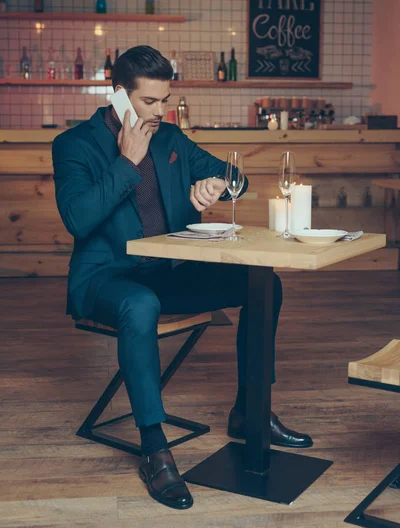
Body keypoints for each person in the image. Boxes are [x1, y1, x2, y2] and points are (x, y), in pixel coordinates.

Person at [52, 45, 312, 511]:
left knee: (264, 284)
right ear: (119, 95)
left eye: (165, 100)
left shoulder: (171, 140)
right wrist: (127, 163)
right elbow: (77, 219)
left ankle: (250, 413)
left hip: (165, 273)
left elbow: (235, 176)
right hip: (105, 280)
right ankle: (154, 447)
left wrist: (216, 184)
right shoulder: (75, 145)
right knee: (139, 305)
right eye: (149, 102)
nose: (159, 112)